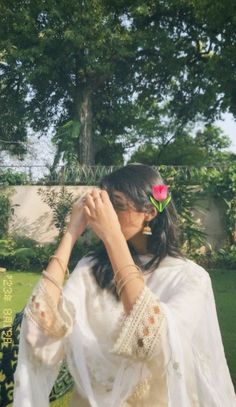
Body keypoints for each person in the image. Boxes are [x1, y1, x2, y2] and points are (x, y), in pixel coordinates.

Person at [13, 164, 236, 407]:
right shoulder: (91, 269)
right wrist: (71, 233)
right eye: (104, 207)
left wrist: (112, 237)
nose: (105, 216)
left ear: (149, 211)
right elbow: (37, 335)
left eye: (116, 206)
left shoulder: (190, 278)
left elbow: (151, 344)